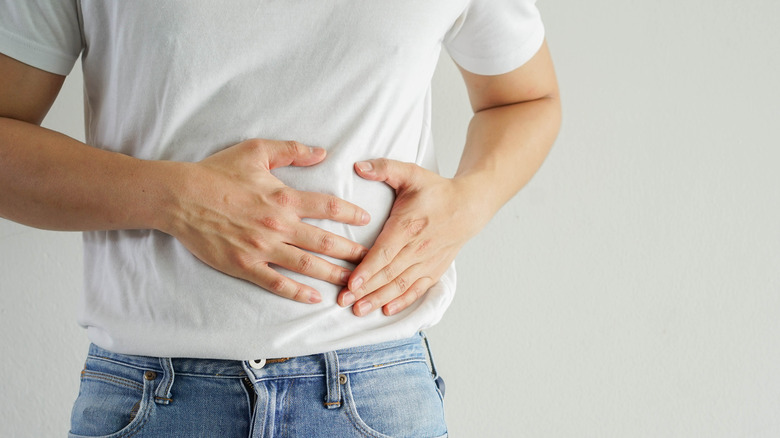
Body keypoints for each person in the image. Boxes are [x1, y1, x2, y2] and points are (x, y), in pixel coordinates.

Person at [0, 1, 560, 436]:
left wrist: (469, 202)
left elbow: (525, 98)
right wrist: (175, 198)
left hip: (374, 388)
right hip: (151, 393)